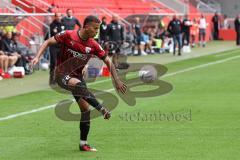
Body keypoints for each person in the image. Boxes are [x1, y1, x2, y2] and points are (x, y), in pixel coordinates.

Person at [31, 15, 127, 152]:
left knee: (85, 110)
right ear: (86, 26)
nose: (96, 31)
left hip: (77, 78)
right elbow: (47, 41)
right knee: (78, 85)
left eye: (98, 29)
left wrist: (117, 80)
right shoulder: (68, 35)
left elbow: (108, 61)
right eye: (95, 28)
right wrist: (36, 57)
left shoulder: (93, 45)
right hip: (61, 74)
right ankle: (102, 109)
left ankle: (83, 144)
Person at [48, 12, 65, 85]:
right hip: (53, 46)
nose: (58, 17)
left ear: (61, 17)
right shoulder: (52, 25)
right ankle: (52, 79)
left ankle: (58, 79)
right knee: (53, 63)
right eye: (57, 16)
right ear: (55, 17)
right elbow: (55, 34)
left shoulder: (63, 24)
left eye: (59, 16)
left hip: (61, 46)